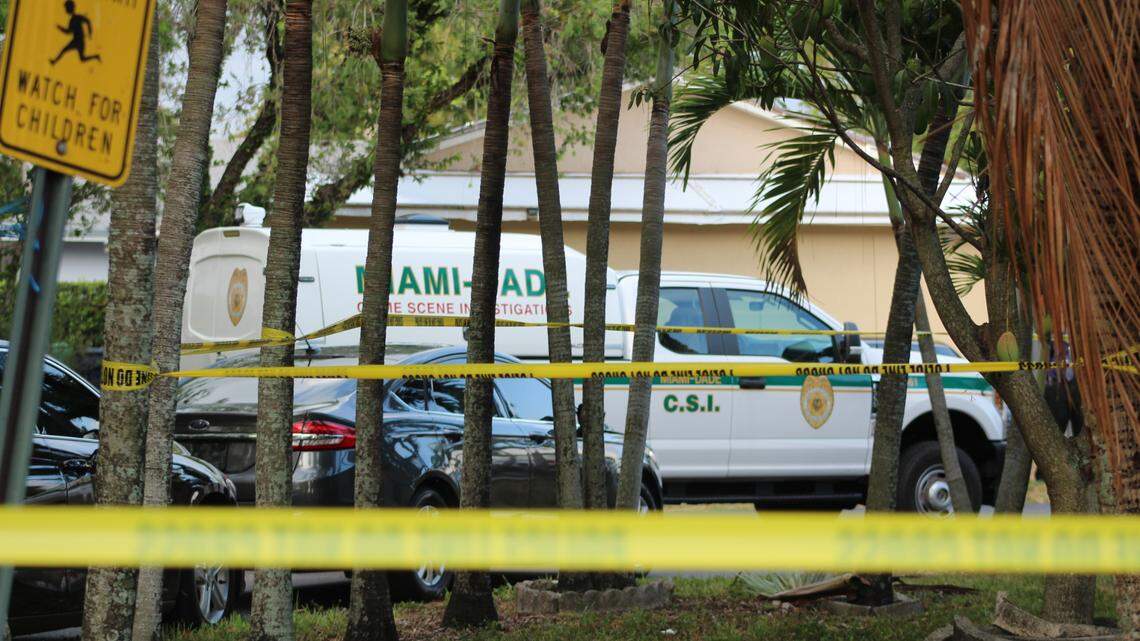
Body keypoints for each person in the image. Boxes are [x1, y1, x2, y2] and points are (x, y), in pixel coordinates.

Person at [50, 1, 101, 65]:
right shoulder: (73, 19)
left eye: (66, 8)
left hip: (78, 41)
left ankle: (54, 62)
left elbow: (87, 21)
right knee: (80, 57)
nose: (65, 9)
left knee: (78, 57)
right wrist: (61, 28)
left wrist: (90, 32)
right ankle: (96, 56)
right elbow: (69, 31)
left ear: (70, 8)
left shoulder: (75, 18)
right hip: (77, 40)